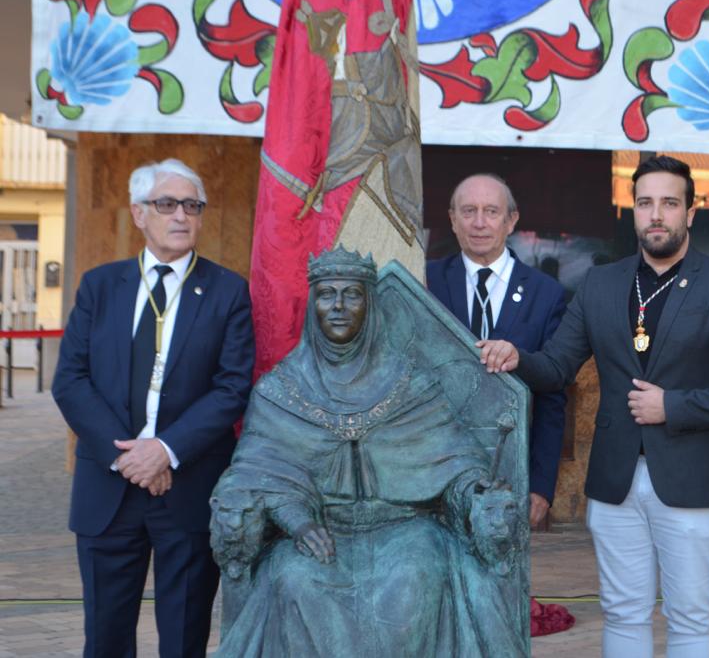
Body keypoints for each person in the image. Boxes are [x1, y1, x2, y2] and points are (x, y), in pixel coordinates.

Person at [480, 156, 709, 658]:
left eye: (670, 203)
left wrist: (672, 406)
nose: (657, 214)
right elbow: (556, 368)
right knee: (622, 611)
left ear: (690, 213)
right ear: (632, 211)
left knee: (692, 616)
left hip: (696, 480)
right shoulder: (601, 283)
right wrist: (516, 356)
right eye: (646, 203)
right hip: (615, 480)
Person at [210, 246, 527, 657]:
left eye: (352, 295)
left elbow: (456, 462)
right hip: (319, 530)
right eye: (327, 294)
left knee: (417, 578)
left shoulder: (410, 383)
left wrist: (477, 491)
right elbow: (253, 473)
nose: (338, 306)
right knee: (292, 577)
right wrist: (298, 523)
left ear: (370, 305)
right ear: (313, 305)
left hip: (405, 528)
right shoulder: (280, 390)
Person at [52, 159, 255, 657]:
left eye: (192, 205)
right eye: (167, 204)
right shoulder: (100, 286)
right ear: (140, 214)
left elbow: (232, 387)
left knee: (185, 639)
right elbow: (70, 382)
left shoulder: (228, 291)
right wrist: (130, 457)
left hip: (186, 489)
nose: (181, 215)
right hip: (108, 486)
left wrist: (165, 450)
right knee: (105, 638)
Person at [427, 173, 567, 527]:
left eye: (491, 211)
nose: (479, 223)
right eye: (468, 210)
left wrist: (541, 485)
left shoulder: (546, 294)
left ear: (512, 220)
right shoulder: (425, 282)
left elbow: (553, 398)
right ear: (452, 219)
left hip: (512, 475)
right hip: (436, 474)